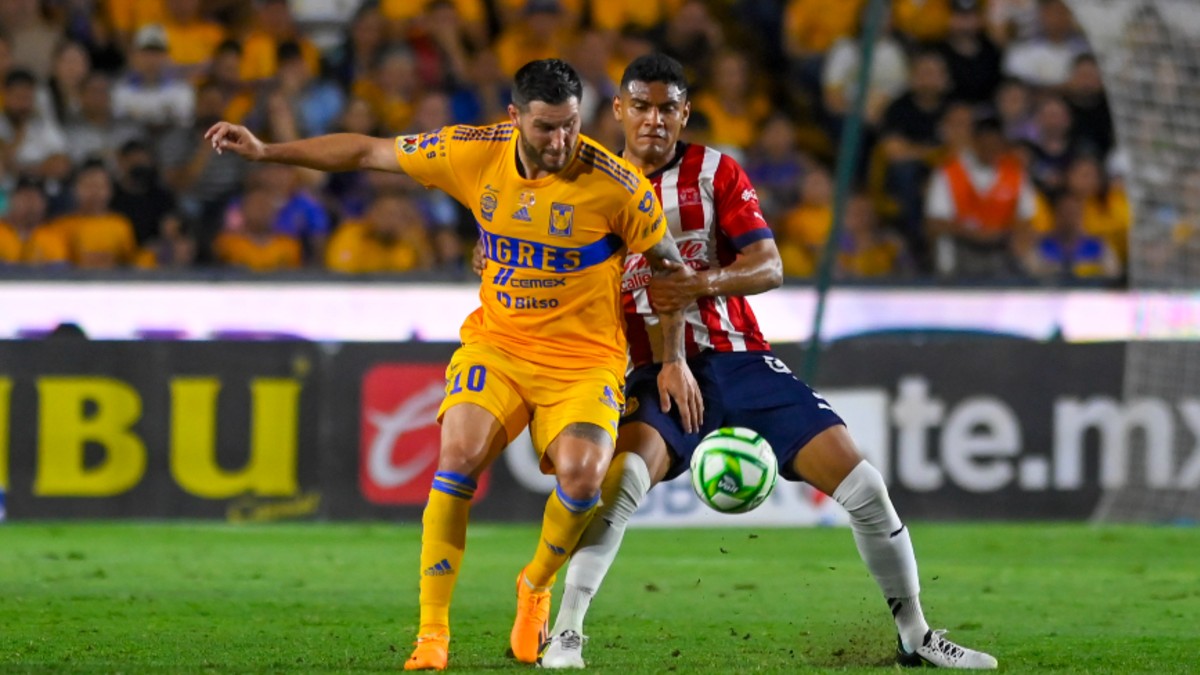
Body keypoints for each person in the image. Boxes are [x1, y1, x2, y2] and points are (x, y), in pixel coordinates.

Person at [205, 57, 702, 672]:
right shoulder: (470, 150)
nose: (562, 141)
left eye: (571, 125)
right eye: (546, 127)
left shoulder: (617, 183)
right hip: (498, 345)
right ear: (514, 117)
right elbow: (367, 152)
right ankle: (432, 635)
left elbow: (672, 269)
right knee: (458, 455)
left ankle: (537, 586)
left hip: (584, 359)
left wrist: (674, 357)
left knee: (582, 477)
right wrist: (267, 151)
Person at [536, 53, 998, 670]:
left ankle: (915, 634)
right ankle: (566, 634)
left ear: (684, 114)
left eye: (667, 108)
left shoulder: (714, 172)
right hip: (653, 372)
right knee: (619, 484)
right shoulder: (587, 186)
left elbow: (770, 266)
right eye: (640, 107)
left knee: (865, 486)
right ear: (617, 109)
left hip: (740, 360)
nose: (653, 120)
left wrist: (701, 286)